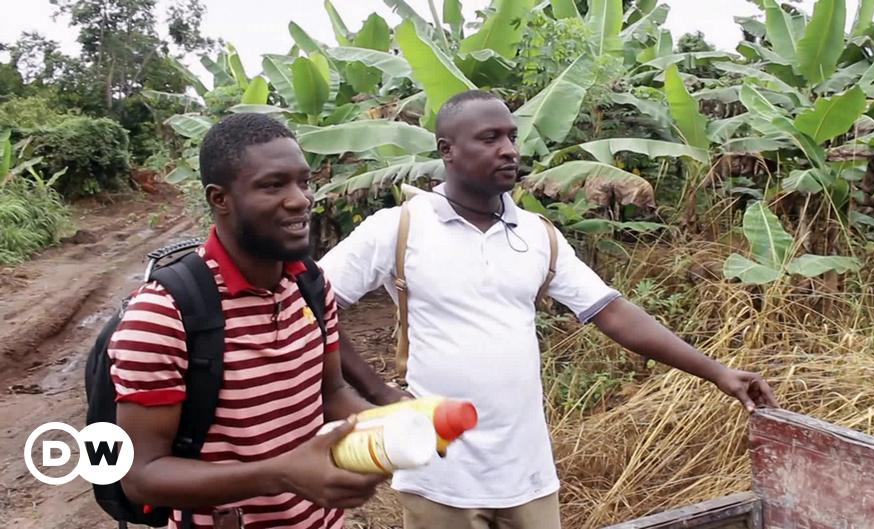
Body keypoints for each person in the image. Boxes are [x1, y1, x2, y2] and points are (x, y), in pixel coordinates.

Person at [319, 90, 779, 529]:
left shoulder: (537, 234)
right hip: (441, 474)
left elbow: (613, 313)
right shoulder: (399, 228)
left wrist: (716, 371)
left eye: (512, 137)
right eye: (489, 138)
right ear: (447, 150)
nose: (508, 150)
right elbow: (315, 307)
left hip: (527, 471)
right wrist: (376, 390)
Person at [109, 113, 384, 529]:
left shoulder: (310, 283)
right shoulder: (164, 315)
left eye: (303, 182)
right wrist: (281, 474)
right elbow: (140, 476)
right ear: (220, 199)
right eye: (273, 185)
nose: (300, 199)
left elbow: (330, 392)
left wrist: (388, 429)